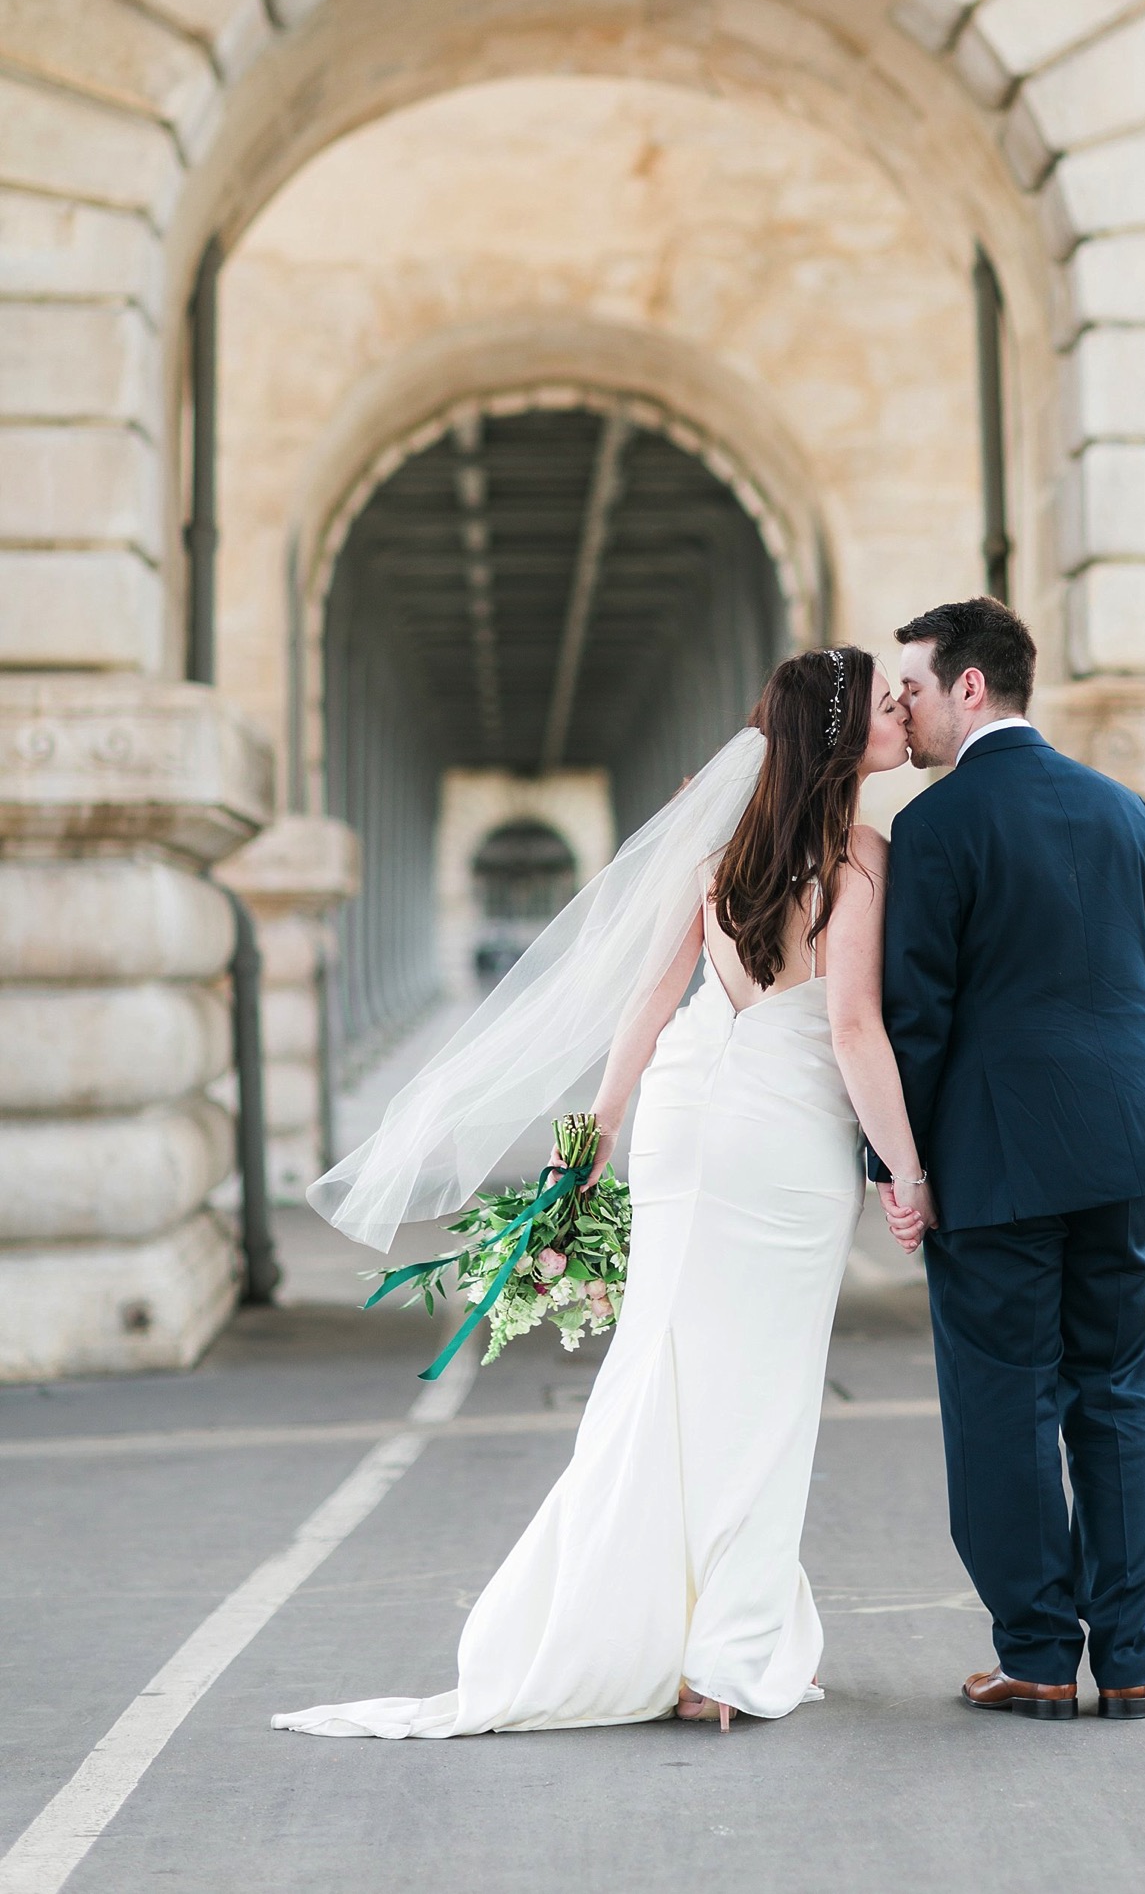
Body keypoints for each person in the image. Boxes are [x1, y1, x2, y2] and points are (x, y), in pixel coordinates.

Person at [273, 648, 932, 1740]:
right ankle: (721, 1655)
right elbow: (854, 1029)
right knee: (761, 1402)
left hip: (678, 1124)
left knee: (660, 1373)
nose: (898, 715)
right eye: (880, 703)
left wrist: (591, 1135)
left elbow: (647, 996)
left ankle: (637, 1627)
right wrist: (904, 1172)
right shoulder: (857, 853)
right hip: (779, 1142)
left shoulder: (716, 848)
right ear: (840, 734)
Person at [875, 598, 1145, 1722]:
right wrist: (1138, 1125)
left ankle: (1036, 1653)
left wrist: (903, 1165)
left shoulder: (936, 831)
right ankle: (1129, 1658)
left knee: (1003, 1403)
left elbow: (918, 1021)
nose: (907, 710)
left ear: (970, 688)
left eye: (915, 690)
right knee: (1115, 1393)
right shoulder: (1126, 812)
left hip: (994, 1161)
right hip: (1124, 1147)